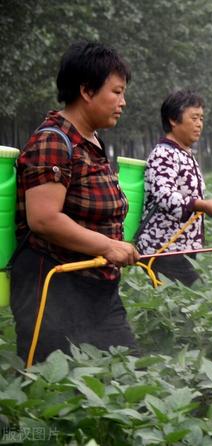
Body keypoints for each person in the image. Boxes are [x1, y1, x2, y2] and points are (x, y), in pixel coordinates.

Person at [11, 42, 139, 363]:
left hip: (98, 286)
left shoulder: (92, 141)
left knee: (128, 372)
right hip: (55, 289)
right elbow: (44, 219)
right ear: (86, 90)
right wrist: (107, 246)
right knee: (57, 392)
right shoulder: (53, 140)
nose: (123, 102)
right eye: (116, 92)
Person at [135, 90, 212, 287]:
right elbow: (165, 196)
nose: (199, 123)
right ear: (173, 120)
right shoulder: (163, 154)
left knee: (186, 307)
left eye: (201, 118)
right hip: (163, 251)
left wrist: (206, 205)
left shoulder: (185, 154)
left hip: (181, 249)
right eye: (194, 118)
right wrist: (201, 205)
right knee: (195, 299)